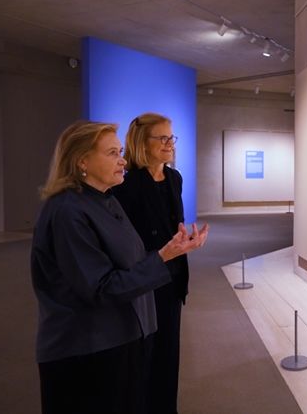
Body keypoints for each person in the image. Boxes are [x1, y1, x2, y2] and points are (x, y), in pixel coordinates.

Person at [30, 120, 208, 414]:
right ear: (82, 161)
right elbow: (101, 288)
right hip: (87, 350)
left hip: (120, 338)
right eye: (112, 153)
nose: (123, 160)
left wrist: (170, 251)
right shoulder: (68, 212)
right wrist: (163, 257)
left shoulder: (104, 201)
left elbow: (129, 262)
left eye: (121, 151)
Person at [113, 113, 199, 414]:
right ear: (142, 143)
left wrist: (187, 241)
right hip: (144, 279)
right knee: (143, 357)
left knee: (168, 353)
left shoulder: (174, 178)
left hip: (173, 277)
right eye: (161, 138)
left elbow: (174, 225)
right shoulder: (126, 185)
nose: (169, 144)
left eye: (171, 138)